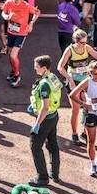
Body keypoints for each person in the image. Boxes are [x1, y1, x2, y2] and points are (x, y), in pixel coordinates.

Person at [56, 30, 97, 146]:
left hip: (86, 81)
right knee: (76, 110)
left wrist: (91, 67)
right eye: (81, 43)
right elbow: (60, 67)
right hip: (74, 81)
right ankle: (74, 133)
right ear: (76, 41)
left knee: (88, 108)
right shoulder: (70, 50)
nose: (84, 44)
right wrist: (70, 79)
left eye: (85, 42)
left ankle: (84, 132)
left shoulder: (87, 48)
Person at [69, 61, 97, 177]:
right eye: (95, 74)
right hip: (90, 115)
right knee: (91, 141)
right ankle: (93, 163)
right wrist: (84, 104)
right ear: (89, 74)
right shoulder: (86, 82)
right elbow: (72, 95)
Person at [28, 55, 62, 186]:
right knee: (52, 143)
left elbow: (45, 107)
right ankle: (55, 173)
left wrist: (37, 123)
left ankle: (42, 177)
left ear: (43, 68)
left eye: (36, 67)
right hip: (54, 115)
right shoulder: (53, 77)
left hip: (45, 118)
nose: (35, 69)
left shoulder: (44, 85)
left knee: (35, 145)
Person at [2, 0, 40, 87]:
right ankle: (13, 70)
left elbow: (37, 12)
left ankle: (17, 74)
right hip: (11, 32)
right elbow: (3, 12)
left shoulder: (26, 6)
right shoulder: (8, 3)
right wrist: (6, 17)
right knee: (10, 55)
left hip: (21, 33)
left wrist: (31, 23)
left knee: (13, 55)